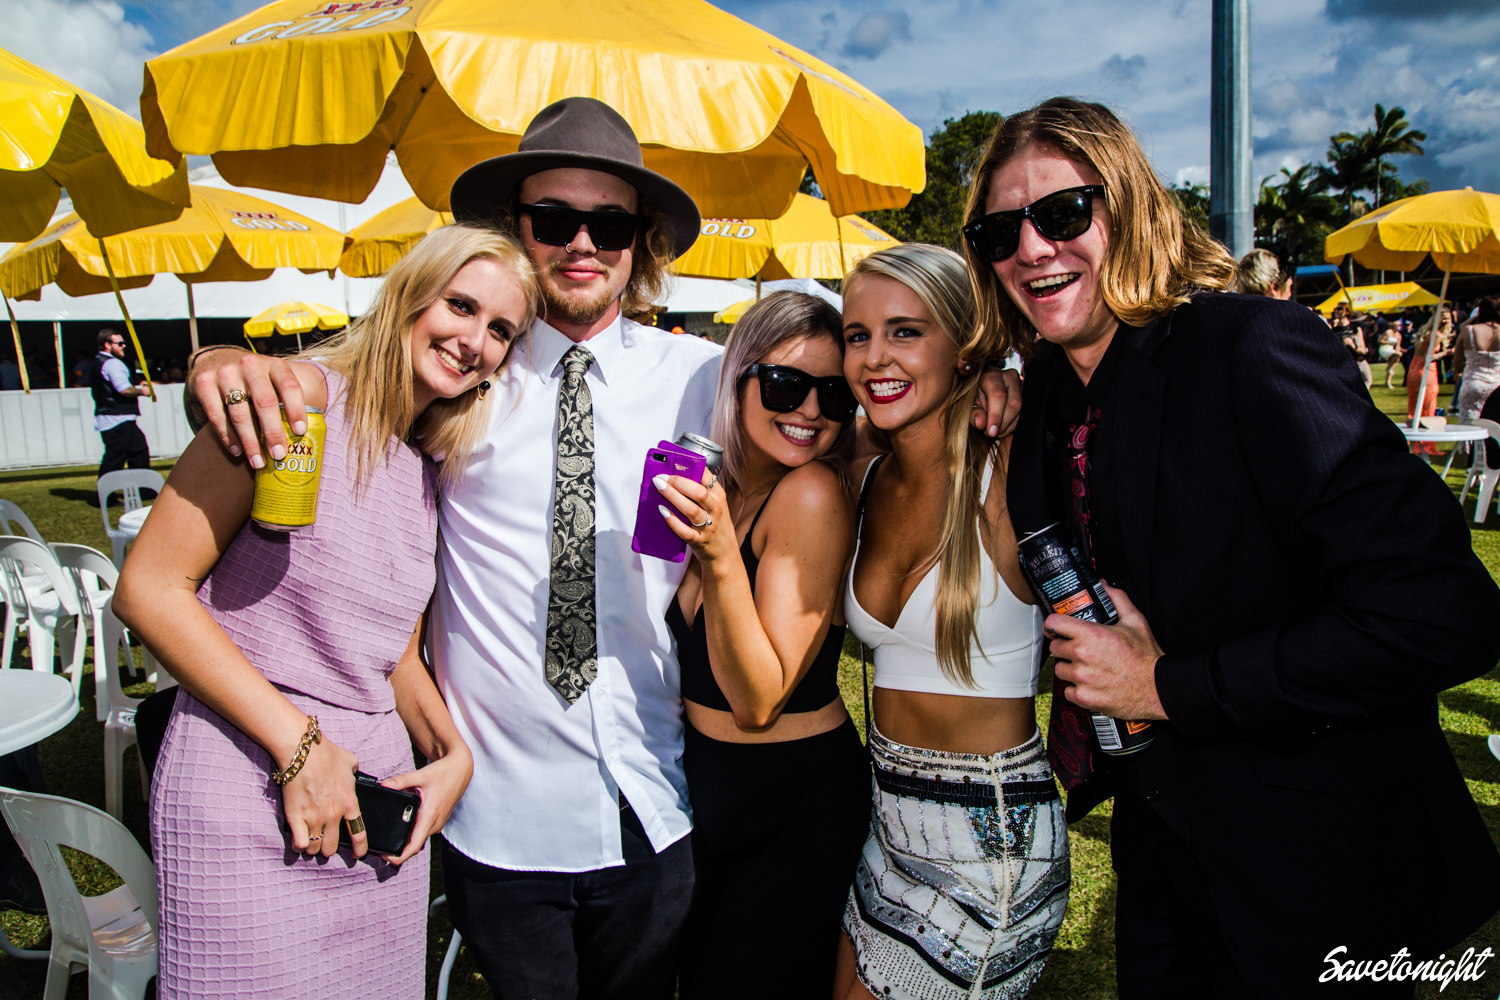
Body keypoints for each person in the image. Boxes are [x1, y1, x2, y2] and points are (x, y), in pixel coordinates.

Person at [185, 97, 1022, 1000]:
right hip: (498, 815)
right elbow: (350, 387)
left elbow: (829, 427)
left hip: (658, 803)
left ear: (640, 242)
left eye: (610, 224)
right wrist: (218, 364)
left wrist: (983, 388)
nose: (582, 243)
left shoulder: (709, 379)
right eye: (553, 219)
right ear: (518, 230)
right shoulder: (463, 375)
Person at [969, 96, 1500, 997]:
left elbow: (1441, 613)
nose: (1031, 248)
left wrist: (1166, 686)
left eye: (1061, 213)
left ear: (1129, 208)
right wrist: (993, 383)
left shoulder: (1249, 347)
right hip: (1162, 864)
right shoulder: (1049, 387)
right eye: (999, 231)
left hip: (1317, 870)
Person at [112, 225, 533, 998]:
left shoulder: (426, 466)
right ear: (409, 297)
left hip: (371, 810)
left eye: (501, 330)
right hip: (245, 783)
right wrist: (300, 748)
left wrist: (454, 754)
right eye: (461, 306)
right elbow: (150, 588)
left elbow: (390, 655)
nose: (475, 341)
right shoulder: (299, 401)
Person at [834, 244, 1068, 1000]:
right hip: (886, 826)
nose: (875, 357)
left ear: (964, 346)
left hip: (990, 848)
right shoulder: (866, 472)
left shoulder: (1007, 469)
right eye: (858, 335)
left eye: (905, 331)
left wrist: (1014, 377)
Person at [653, 291, 869, 1000]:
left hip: (790, 805)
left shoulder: (810, 494)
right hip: (711, 788)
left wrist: (719, 556)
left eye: (834, 395)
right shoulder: (731, 486)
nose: (809, 410)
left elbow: (757, 701)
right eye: (784, 384)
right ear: (739, 378)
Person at [88, 328, 152, 479]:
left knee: (138, 450)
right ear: (107, 345)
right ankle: (106, 491)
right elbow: (124, 390)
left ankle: (144, 487)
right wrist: (143, 391)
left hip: (115, 417)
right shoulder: (113, 364)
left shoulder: (97, 362)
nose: (124, 346)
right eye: (120, 343)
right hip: (118, 418)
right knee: (116, 457)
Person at [1455, 296, 1500, 421]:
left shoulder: (1469, 331)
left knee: (1468, 428)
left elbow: (1457, 365)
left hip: (1473, 383)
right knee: (1494, 427)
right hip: (1497, 385)